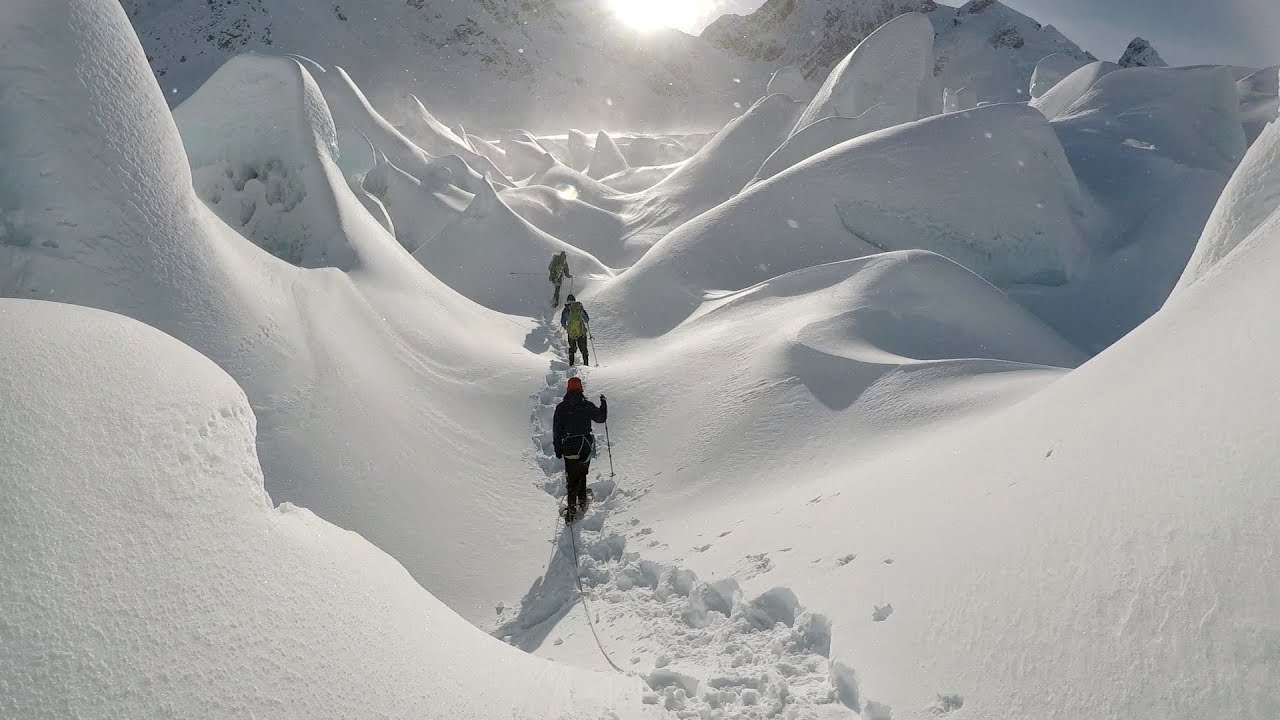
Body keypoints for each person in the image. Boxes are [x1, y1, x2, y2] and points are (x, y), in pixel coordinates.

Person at [553, 376, 607, 523]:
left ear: (568, 389)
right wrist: (603, 404)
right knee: (582, 472)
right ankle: (582, 501)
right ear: (580, 388)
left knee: (572, 478)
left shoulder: (561, 408)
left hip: (569, 446)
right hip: (585, 444)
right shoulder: (586, 405)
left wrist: (558, 448)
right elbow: (601, 418)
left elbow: (557, 430)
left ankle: (571, 511)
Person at [560, 294, 590, 367]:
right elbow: (587, 320)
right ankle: (586, 365)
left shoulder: (565, 310)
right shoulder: (579, 307)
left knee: (572, 349)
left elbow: (563, 322)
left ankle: (571, 365)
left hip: (571, 333)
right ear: (574, 300)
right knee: (584, 349)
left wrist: (567, 328)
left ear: (567, 301)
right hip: (581, 332)